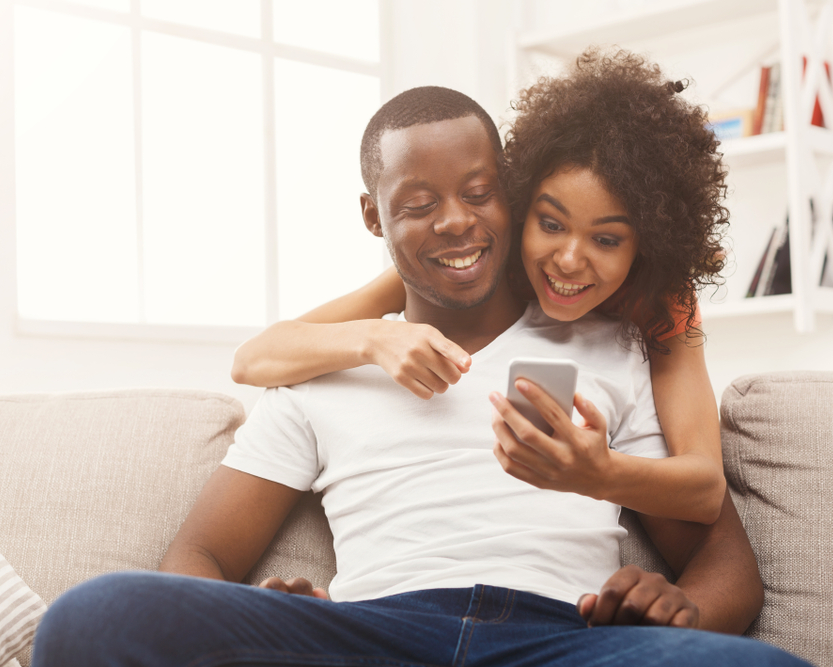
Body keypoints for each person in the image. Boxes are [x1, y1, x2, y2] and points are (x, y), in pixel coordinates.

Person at [31, 65, 809, 667]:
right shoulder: (323, 366)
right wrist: (283, 617)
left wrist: (675, 609)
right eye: (418, 204)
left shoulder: (613, 340)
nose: (456, 222)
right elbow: (197, 555)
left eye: (479, 193)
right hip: (374, 633)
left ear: (508, 190)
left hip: (556, 639)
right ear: (374, 216)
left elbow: (726, 563)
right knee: (91, 616)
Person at [229, 51, 728, 526]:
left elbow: (705, 489)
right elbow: (253, 359)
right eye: (551, 224)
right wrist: (375, 338)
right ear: (520, 202)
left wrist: (599, 473)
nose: (570, 259)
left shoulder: (666, 302)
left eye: (606, 238)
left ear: (649, 242)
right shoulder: (485, 259)